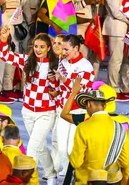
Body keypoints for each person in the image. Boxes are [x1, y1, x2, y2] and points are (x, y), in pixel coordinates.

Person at [0, 26, 58, 183]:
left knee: (32, 148)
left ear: (49, 48)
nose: (38, 50)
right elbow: (4, 56)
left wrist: (55, 85)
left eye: (42, 47)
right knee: (39, 146)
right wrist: (4, 40)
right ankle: (51, 175)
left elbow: (63, 88)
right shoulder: (26, 61)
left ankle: (29, 181)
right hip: (28, 112)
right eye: (36, 46)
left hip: (46, 113)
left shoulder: (57, 65)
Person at [53, 35, 95, 175]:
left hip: (78, 111)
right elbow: (62, 86)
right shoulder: (62, 62)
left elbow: (80, 90)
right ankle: (66, 171)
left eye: (66, 49)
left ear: (76, 48)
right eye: (62, 49)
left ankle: (74, 173)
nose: (63, 52)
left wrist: (63, 79)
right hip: (62, 109)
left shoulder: (86, 66)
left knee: (72, 147)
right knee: (61, 147)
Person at [69, 89, 125, 184]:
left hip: (87, 181)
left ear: (89, 104)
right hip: (111, 180)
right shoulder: (119, 127)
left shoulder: (83, 127)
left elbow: (76, 162)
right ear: (105, 105)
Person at [102, 0, 129, 101]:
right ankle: (113, 88)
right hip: (116, 26)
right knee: (116, 59)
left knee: (126, 58)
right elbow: (115, 11)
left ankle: (125, 85)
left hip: (125, 25)